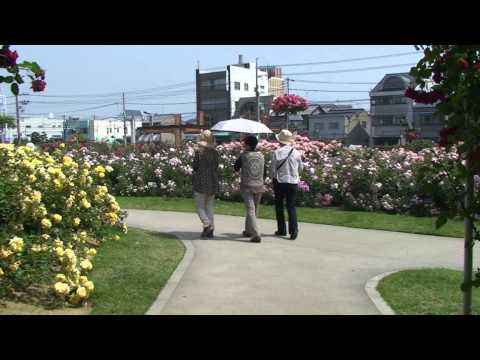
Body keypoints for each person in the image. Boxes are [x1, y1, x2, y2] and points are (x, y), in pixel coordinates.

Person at [270, 129, 304, 240]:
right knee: (291, 207)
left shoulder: (276, 152)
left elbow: (272, 170)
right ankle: (293, 231)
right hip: (293, 182)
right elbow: (301, 168)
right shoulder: (296, 152)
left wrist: (273, 178)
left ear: (279, 141)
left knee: (279, 206)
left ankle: (282, 230)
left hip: (280, 181)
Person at [234, 135, 265, 243]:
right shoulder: (261, 155)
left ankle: (256, 234)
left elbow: (236, 167)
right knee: (254, 210)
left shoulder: (244, 156)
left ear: (247, 145)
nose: (243, 145)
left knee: (250, 210)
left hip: (247, 186)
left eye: (244, 143)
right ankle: (248, 231)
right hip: (259, 185)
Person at [192, 130, 219, 239]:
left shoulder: (199, 152)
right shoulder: (215, 152)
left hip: (201, 180)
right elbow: (216, 166)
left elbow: (195, 166)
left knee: (200, 207)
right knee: (209, 207)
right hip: (212, 180)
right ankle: (210, 230)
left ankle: (207, 224)